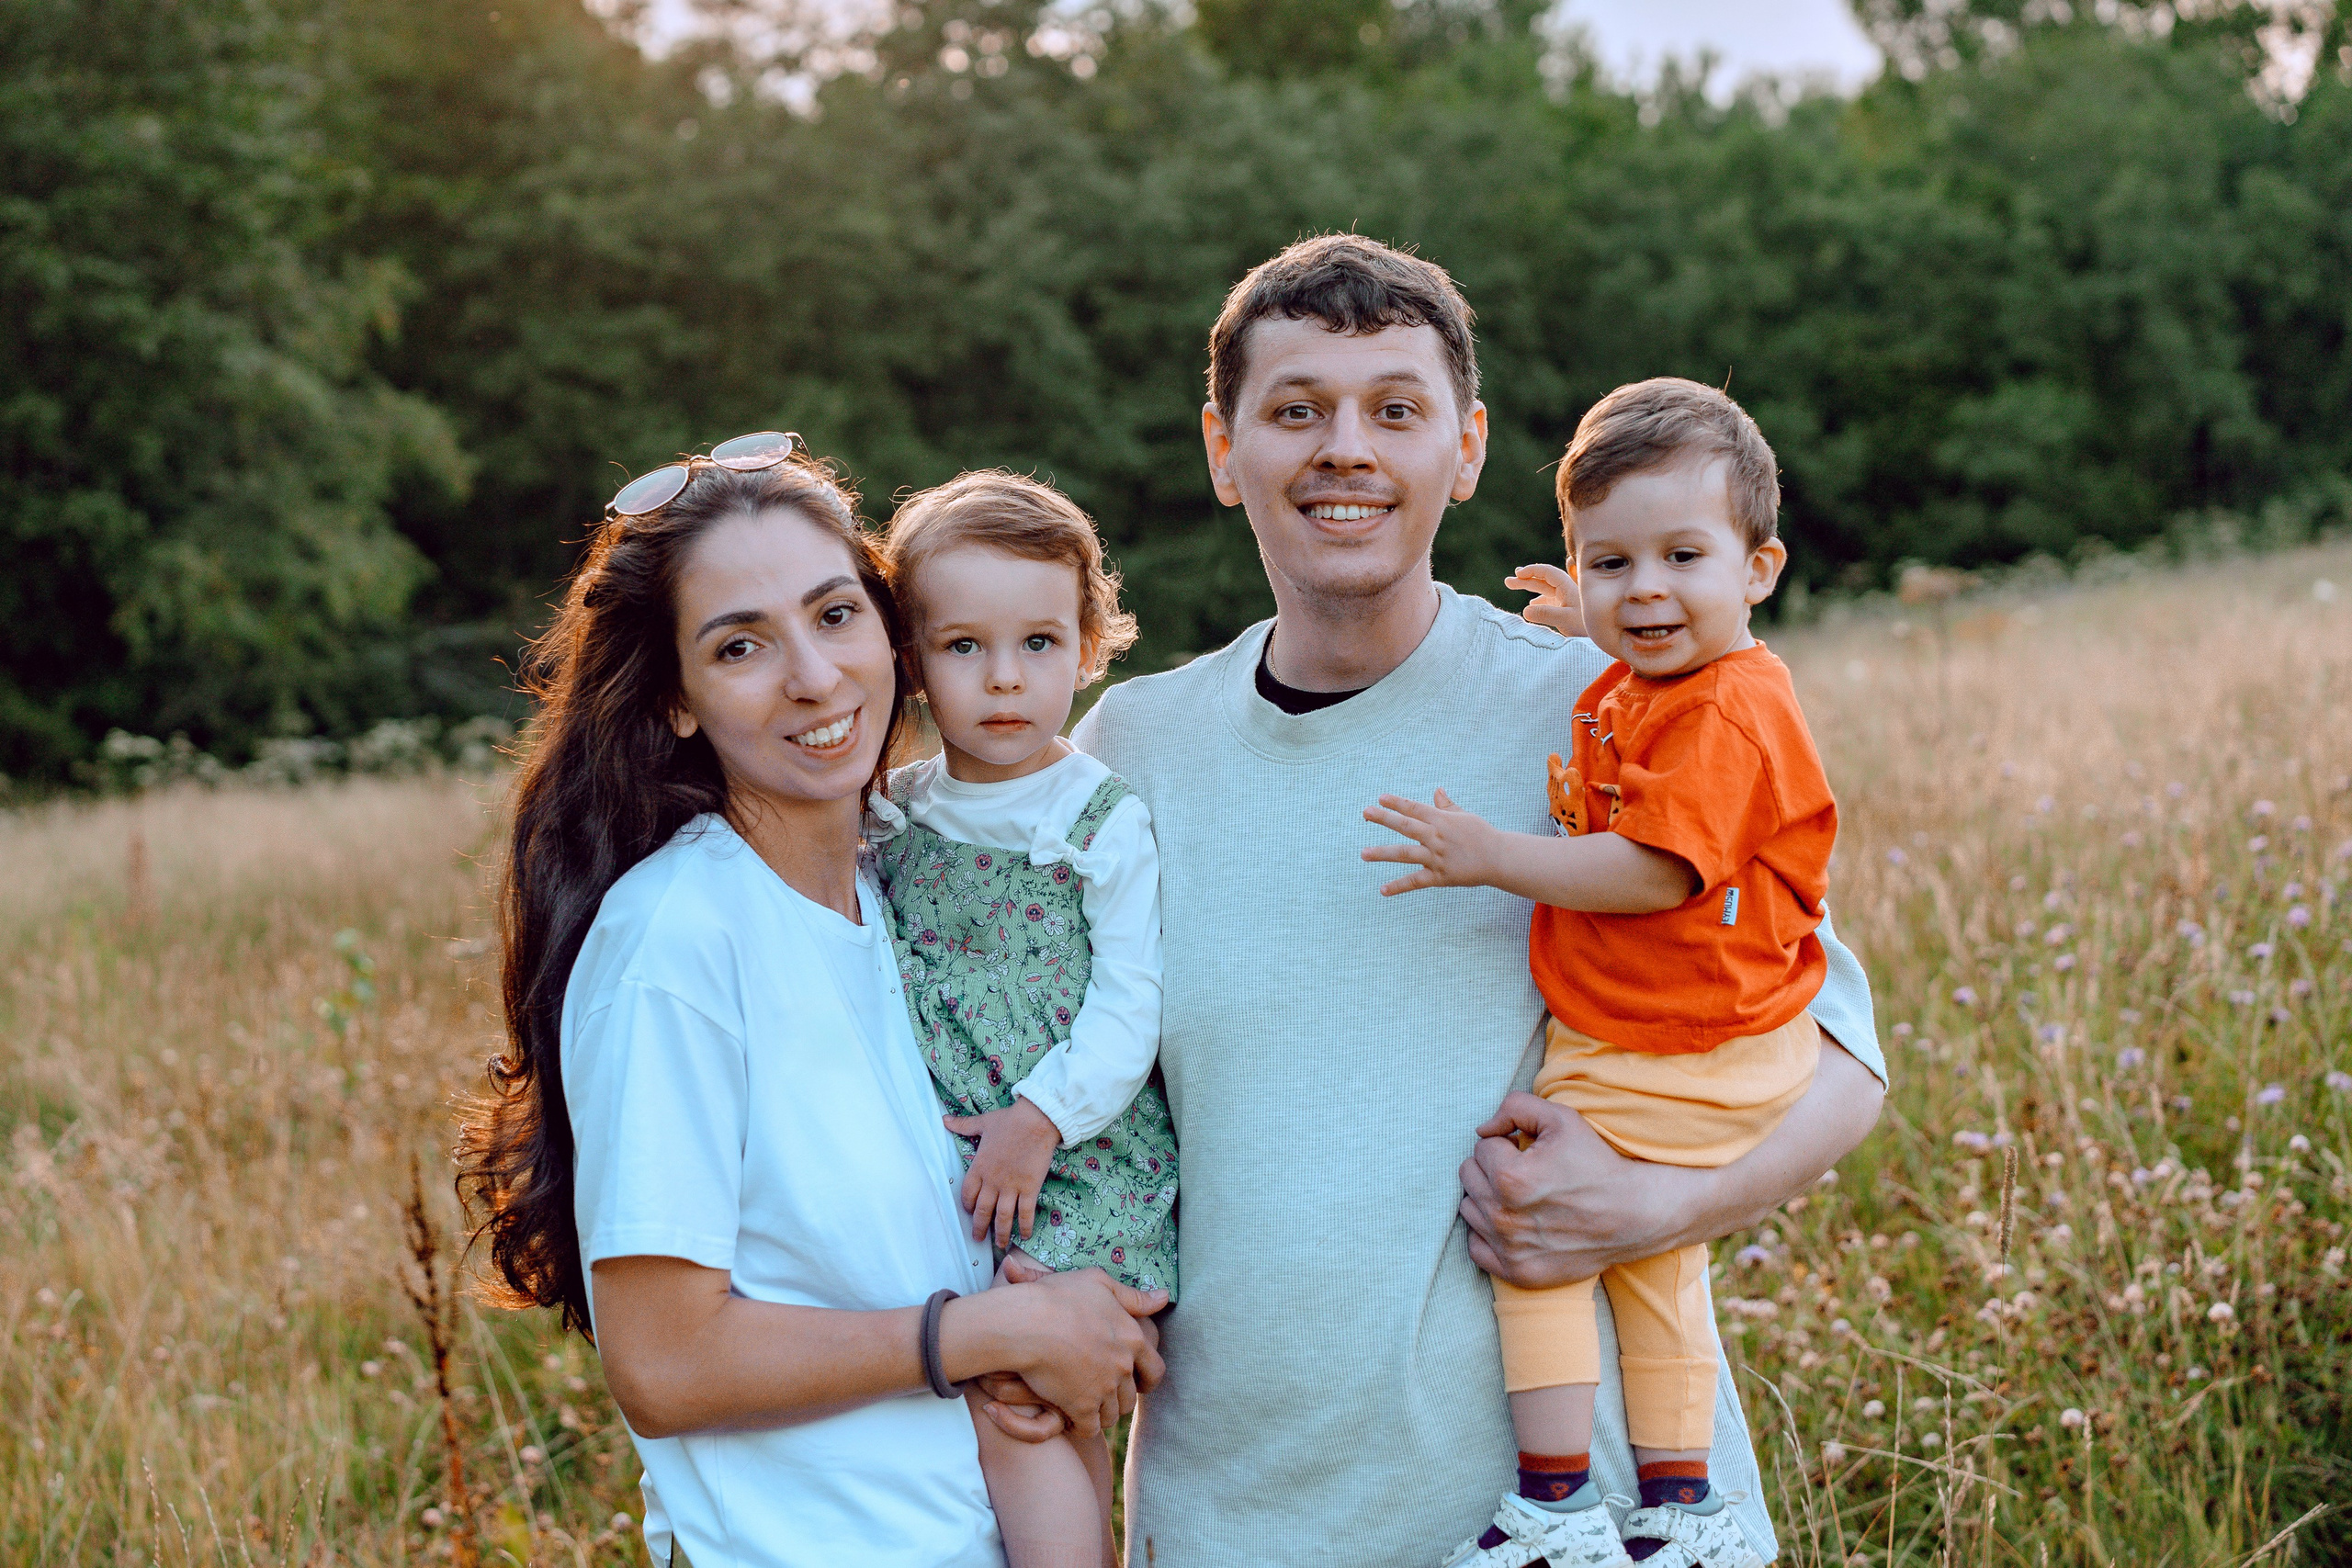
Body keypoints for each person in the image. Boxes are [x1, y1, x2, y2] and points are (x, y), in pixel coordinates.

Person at [1070, 237, 1887, 1566]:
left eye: (1396, 408)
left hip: (1588, 1514)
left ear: (1467, 449)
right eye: (1297, 411)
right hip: (1245, 1512)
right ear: (1225, 452)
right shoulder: (1127, 751)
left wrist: (1654, 1207)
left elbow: (1842, 1056)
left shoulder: (1611, 701)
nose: (1347, 449)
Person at [455, 436, 1165, 1568]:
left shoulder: (901, 901)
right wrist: (985, 1334)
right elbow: (667, 1365)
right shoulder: (679, 941)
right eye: (740, 645)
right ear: (678, 702)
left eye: (835, 616)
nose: (814, 677)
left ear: (894, 639)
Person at [1366, 379, 1834, 1568]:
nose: (1648, 590)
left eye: (1683, 555)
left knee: (1536, 1236)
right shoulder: (1667, 678)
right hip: (1674, 1028)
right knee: (1656, 1263)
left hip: (1677, 1038)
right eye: (1611, 559)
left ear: (1761, 566)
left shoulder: (1728, 706)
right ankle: (1687, 1504)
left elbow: (1655, 868)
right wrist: (1596, 622)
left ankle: (1557, 1503)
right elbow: (1639, 682)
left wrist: (1491, 856)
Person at [870, 470, 1179, 1568]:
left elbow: (1129, 1005)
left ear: (1090, 645)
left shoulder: (1096, 813)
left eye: (1040, 644)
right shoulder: (892, 812)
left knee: (1025, 1409)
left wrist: (1040, 1116)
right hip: (950, 1169)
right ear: (909, 659)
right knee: (960, 1410)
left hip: (1074, 1164)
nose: (1005, 680)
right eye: (963, 648)